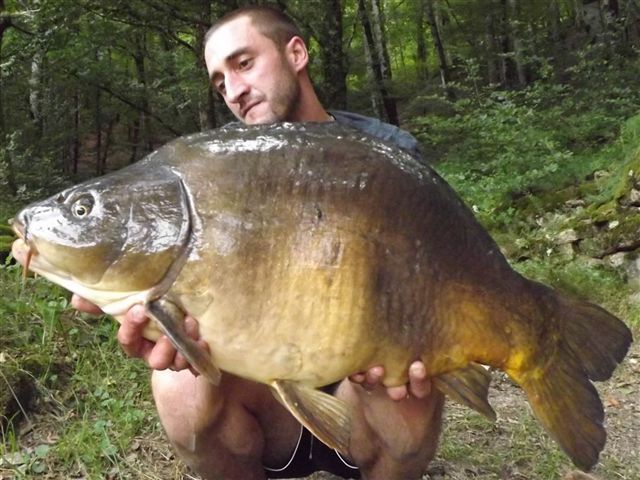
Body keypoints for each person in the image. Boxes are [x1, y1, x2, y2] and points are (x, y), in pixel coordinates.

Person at [72, 6, 445, 480]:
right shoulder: (216, 168)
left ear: (296, 53)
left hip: (366, 390)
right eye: (219, 81)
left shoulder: (388, 152)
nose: (233, 90)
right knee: (175, 384)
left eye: (244, 63)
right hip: (267, 401)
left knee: (415, 394)